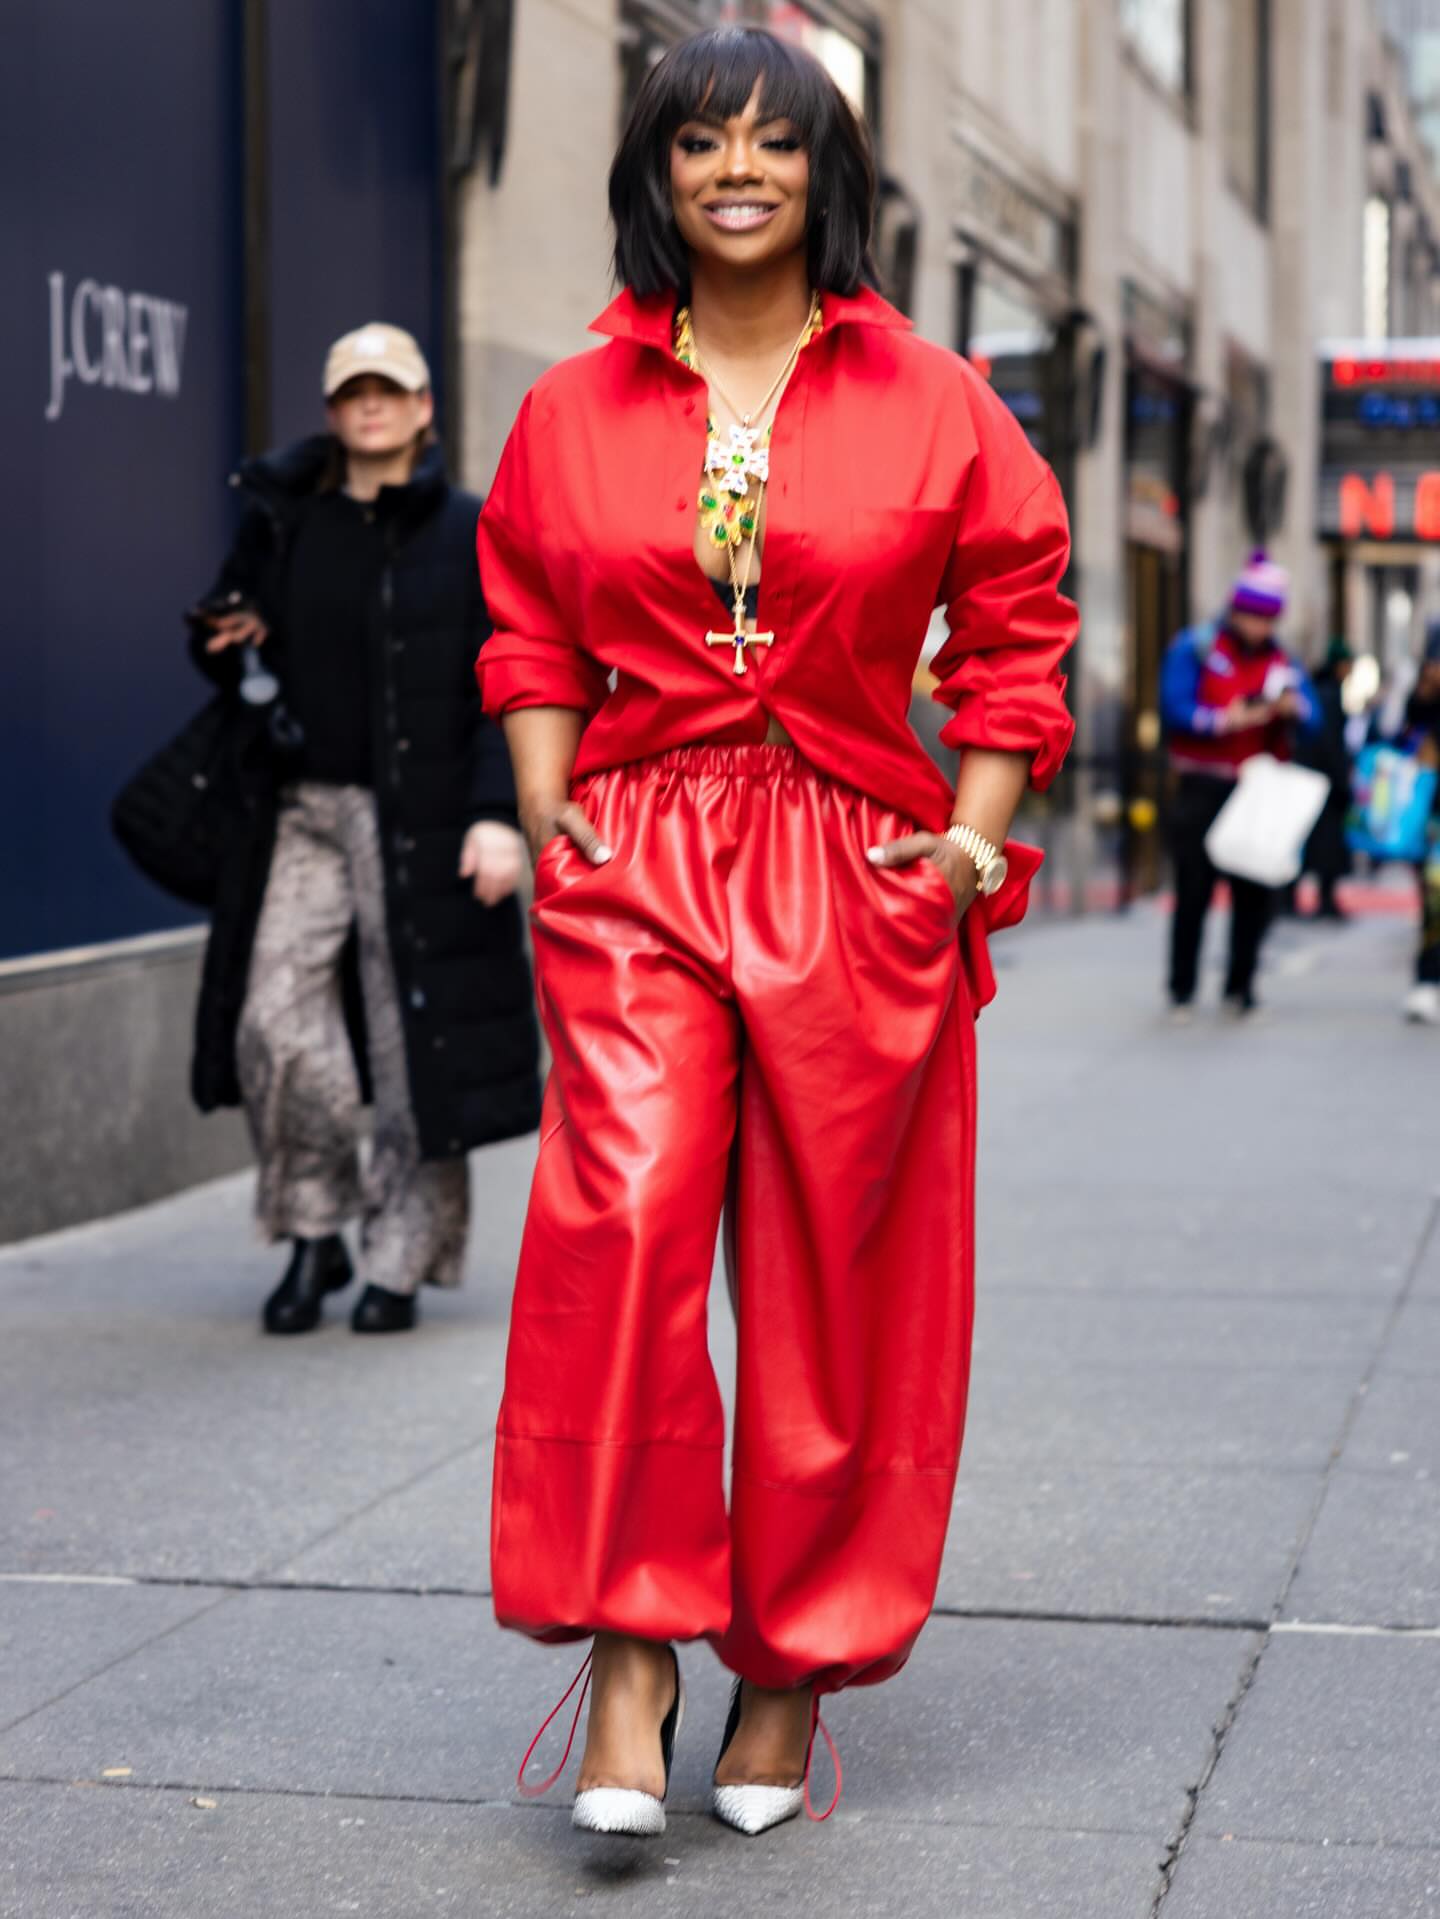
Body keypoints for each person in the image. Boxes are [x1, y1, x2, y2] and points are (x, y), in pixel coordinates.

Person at [478, 29, 1076, 1838]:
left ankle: (792, 1658)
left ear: (830, 175)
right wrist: (548, 797)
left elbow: (1017, 615)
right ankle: (632, 1643)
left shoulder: (937, 397)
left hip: (859, 855)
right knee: (622, 1218)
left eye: (774, 141)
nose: (736, 169)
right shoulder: (572, 404)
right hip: (641, 844)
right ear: (654, 175)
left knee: (839, 1264)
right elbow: (526, 613)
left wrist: (969, 842)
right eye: (699, 142)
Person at [191, 323, 540, 1334]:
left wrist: (496, 816)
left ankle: (400, 1255)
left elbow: (505, 681)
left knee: (412, 1039)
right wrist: (226, 640)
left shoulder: (468, 529)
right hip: (303, 806)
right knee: (272, 1019)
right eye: (353, 392)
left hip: (422, 818)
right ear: (333, 411)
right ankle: (316, 1223)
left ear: (425, 408)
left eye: (390, 389)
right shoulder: (286, 522)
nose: (371, 405)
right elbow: (233, 649)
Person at [1159, 552, 1319, 1016]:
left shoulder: (1282, 662)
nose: (1260, 627)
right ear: (1235, 610)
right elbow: (1173, 707)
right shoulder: (1196, 648)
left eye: (1268, 619)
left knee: (1254, 890)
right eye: (1253, 616)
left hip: (1257, 789)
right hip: (1202, 784)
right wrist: (1223, 720)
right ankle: (1182, 988)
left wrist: (1293, 709)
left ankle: (1241, 986)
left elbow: (1314, 720)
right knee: (1193, 889)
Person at [1299, 636, 1355, 921]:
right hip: (1325, 780)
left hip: (1314, 777)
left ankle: (1297, 898)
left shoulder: (1316, 689)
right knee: (1327, 844)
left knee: (1314, 841)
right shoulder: (1330, 694)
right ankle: (1325, 899)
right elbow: (1330, 742)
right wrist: (1341, 779)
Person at [1401, 622, 1440, 1023]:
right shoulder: (1423, 697)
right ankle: (1428, 979)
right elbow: (1403, 734)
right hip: (1432, 812)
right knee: (1435, 897)